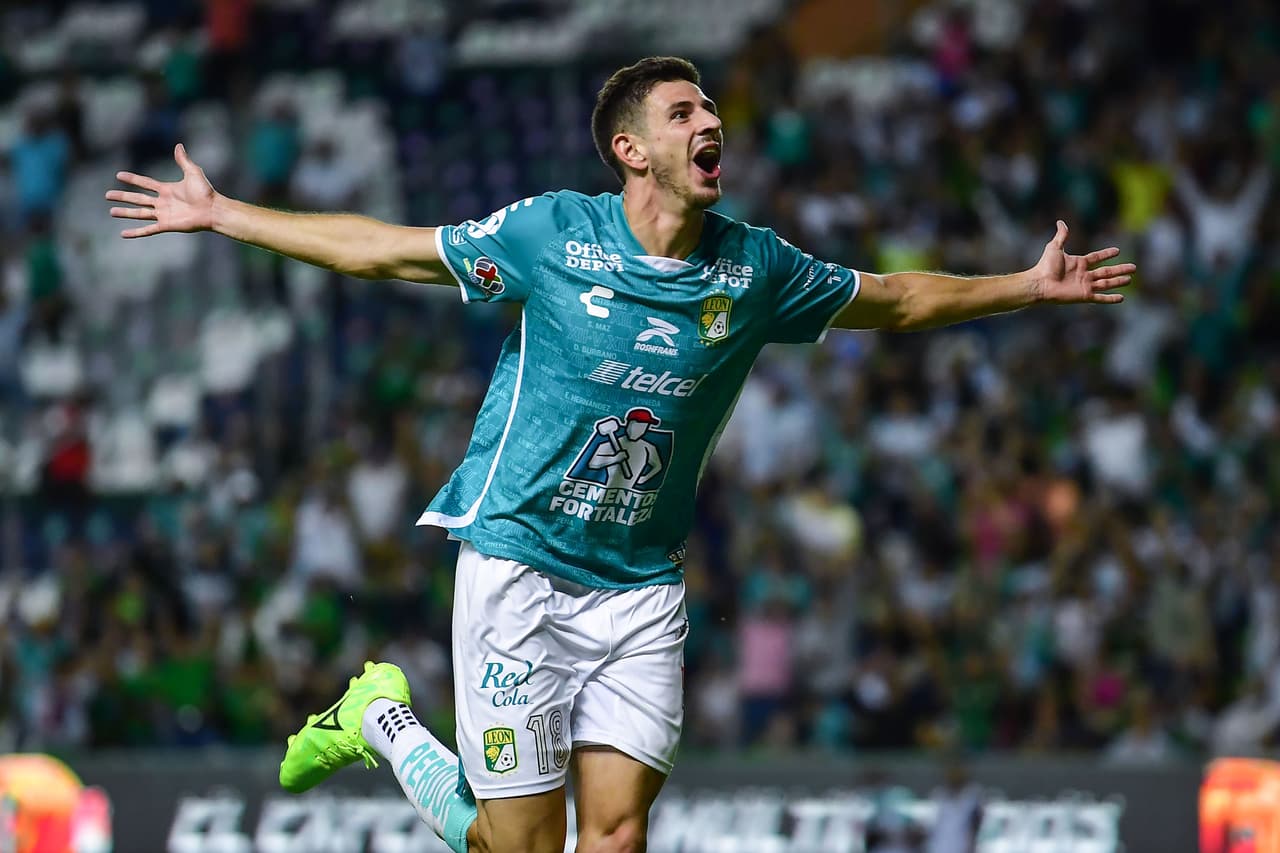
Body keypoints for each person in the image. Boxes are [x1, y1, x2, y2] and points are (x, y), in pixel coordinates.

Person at [106, 56, 1134, 853]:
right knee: (516, 846)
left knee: (615, 838)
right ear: (631, 150)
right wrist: (223, 214)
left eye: (709, 109)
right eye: (683, 113)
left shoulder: (754, 268)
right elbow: (387, 250)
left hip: (639, 585)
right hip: (518, 563)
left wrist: (1022, 285)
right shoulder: (554, 235)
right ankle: (383, 718)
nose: (709, 122)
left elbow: (895, 299)